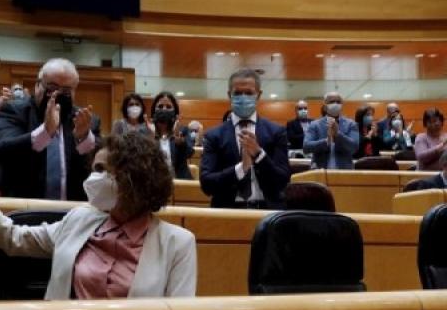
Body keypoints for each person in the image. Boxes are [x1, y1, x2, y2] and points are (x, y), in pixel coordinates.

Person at [0, 133, 197, 299]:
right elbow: (13, 237)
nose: (94, 178)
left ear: (135, 177)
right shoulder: (79, 220)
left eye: (103, 169)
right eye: (94, 168)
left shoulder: (177, 243)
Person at [0, 58, 101, 200]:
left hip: (72, 210)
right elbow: (3, 150)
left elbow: (101, 164)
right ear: (38, 85)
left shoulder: (87, 120)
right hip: (24, 206)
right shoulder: (14, 110)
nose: (57, 95)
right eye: (52, 88)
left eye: (66, 91)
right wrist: (45, 132)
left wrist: (84, 139)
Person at [199, 69, 290, 209]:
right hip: (228, 212)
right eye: (237, 93)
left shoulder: (276, 132)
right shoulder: (213, 136)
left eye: (248, 93)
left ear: (258, 95)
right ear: (229, 95)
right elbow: (207, 184)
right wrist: (241, 168)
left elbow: (283, 181)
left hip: (268, 212)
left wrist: (259, 155)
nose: (243, 97)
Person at [303, 92, 359, 169]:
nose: (335, 104)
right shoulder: (315, 124)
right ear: (325, 106)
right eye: (331, 102)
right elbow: (306, 147)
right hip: (319, 171)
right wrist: (326, 141)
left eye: (338, 102)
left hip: (344, 171)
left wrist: (338, 135)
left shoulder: (351, 124)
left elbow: (354, 147)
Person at [150, 91, 193, 180]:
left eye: (169, 107)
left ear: (175, 112)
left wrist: (181, 143)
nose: (164, 109)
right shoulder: (148, 131)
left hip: (180, 183)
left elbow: (190, 153)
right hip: (154, 184)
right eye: (160, 106)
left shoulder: (182, 130)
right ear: (154, 110)